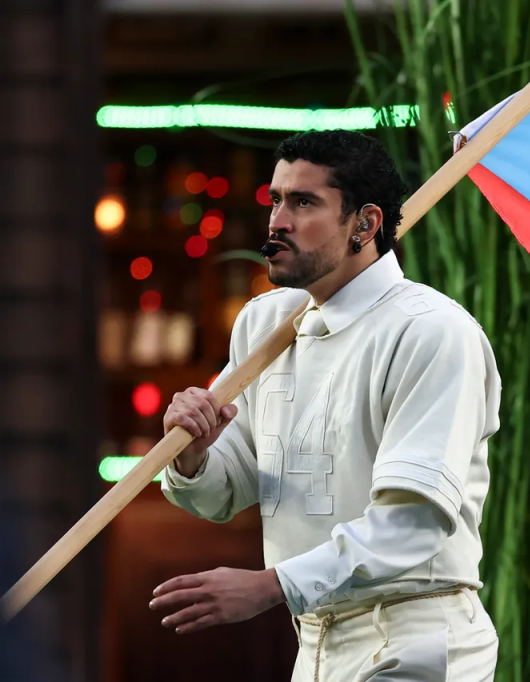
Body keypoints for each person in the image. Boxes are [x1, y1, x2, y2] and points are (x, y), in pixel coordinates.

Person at [149, 129, 502, 681]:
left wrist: (270, 586)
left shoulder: (432, 332)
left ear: (365, 223)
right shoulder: (263, 323)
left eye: (303, 202)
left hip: (417, 639)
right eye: (275, 200)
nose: (277, 221)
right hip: (314, 641)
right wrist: (192, 455)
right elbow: (226, 491)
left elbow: (412, 523)